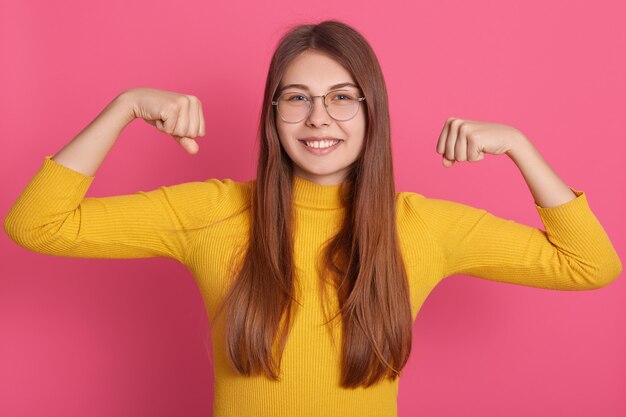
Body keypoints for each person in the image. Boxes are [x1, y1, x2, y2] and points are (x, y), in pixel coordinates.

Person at [3, 19, 622, 417]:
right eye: (297, 98)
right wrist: (125, 105)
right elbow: (37, 224)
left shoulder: (423, 226)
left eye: (341, 98)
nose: (318, 118)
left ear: (371, 113)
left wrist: (519, 145)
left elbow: (591, 265)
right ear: (273, 116)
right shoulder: (215, 212)